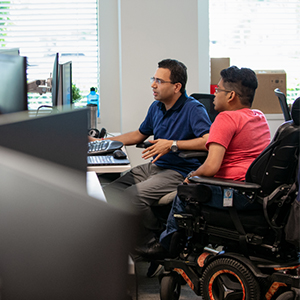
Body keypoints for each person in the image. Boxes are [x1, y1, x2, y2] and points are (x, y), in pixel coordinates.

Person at [136, 65, 271, 260]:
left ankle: (166, 247)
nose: (214, 95)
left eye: (218, 90)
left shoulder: (225, 119)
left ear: (231, 96)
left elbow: (211, 166)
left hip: (231, 191)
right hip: (253, 191)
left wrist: (190, 178)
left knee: (184, 193)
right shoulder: (258, 117)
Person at [90, 59, 211, 248]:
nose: (153, 85)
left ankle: (156, 242)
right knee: (108, 193)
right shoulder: (157, 107)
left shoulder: (193, 109)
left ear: (177, 87)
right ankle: (133, 237)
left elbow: (208, 141)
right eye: (153, 79)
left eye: (160, 81)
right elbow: (139, 134)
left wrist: (173, 145)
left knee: (129, 198)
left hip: (178, 171)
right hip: (155, 167)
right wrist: (102, 142)